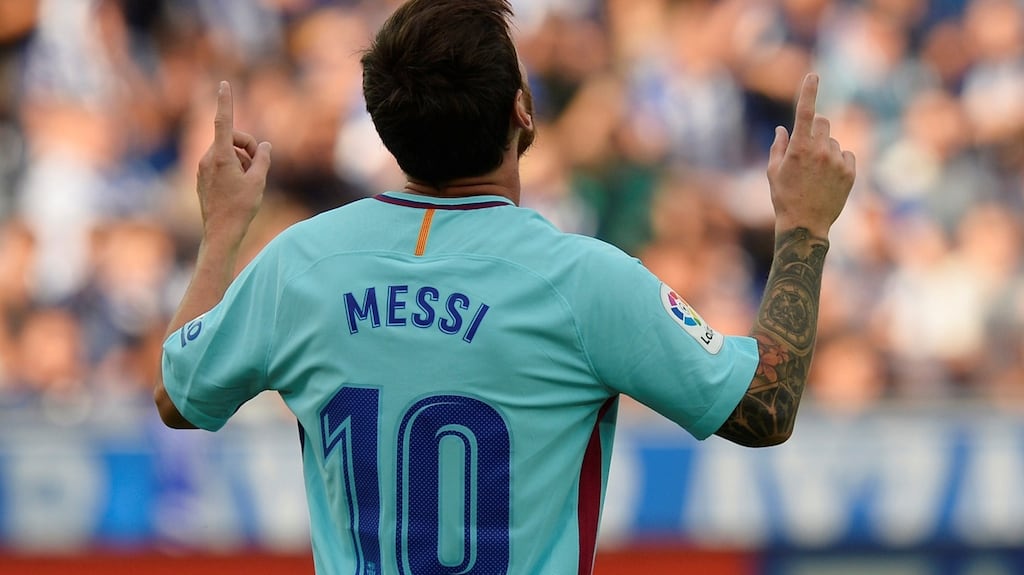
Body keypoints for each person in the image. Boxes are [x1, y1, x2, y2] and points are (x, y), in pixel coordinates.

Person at [153, 0, 856, 573]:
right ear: (521, 109)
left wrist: (223, 232)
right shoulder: (581, 279)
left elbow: (178, 393)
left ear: (386, 124)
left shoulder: (300, 264)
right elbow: (763, 408)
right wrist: (804, 226)